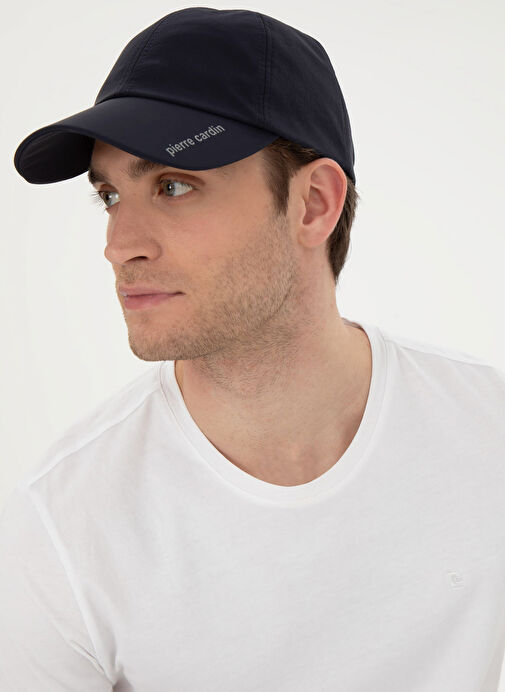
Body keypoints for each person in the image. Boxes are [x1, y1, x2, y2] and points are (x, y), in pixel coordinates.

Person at [2, 7, 505, 691]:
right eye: (110, 196)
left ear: (313, 203)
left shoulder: (487, 434)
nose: (120, 246)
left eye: (173, 186)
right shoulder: (62, 529)